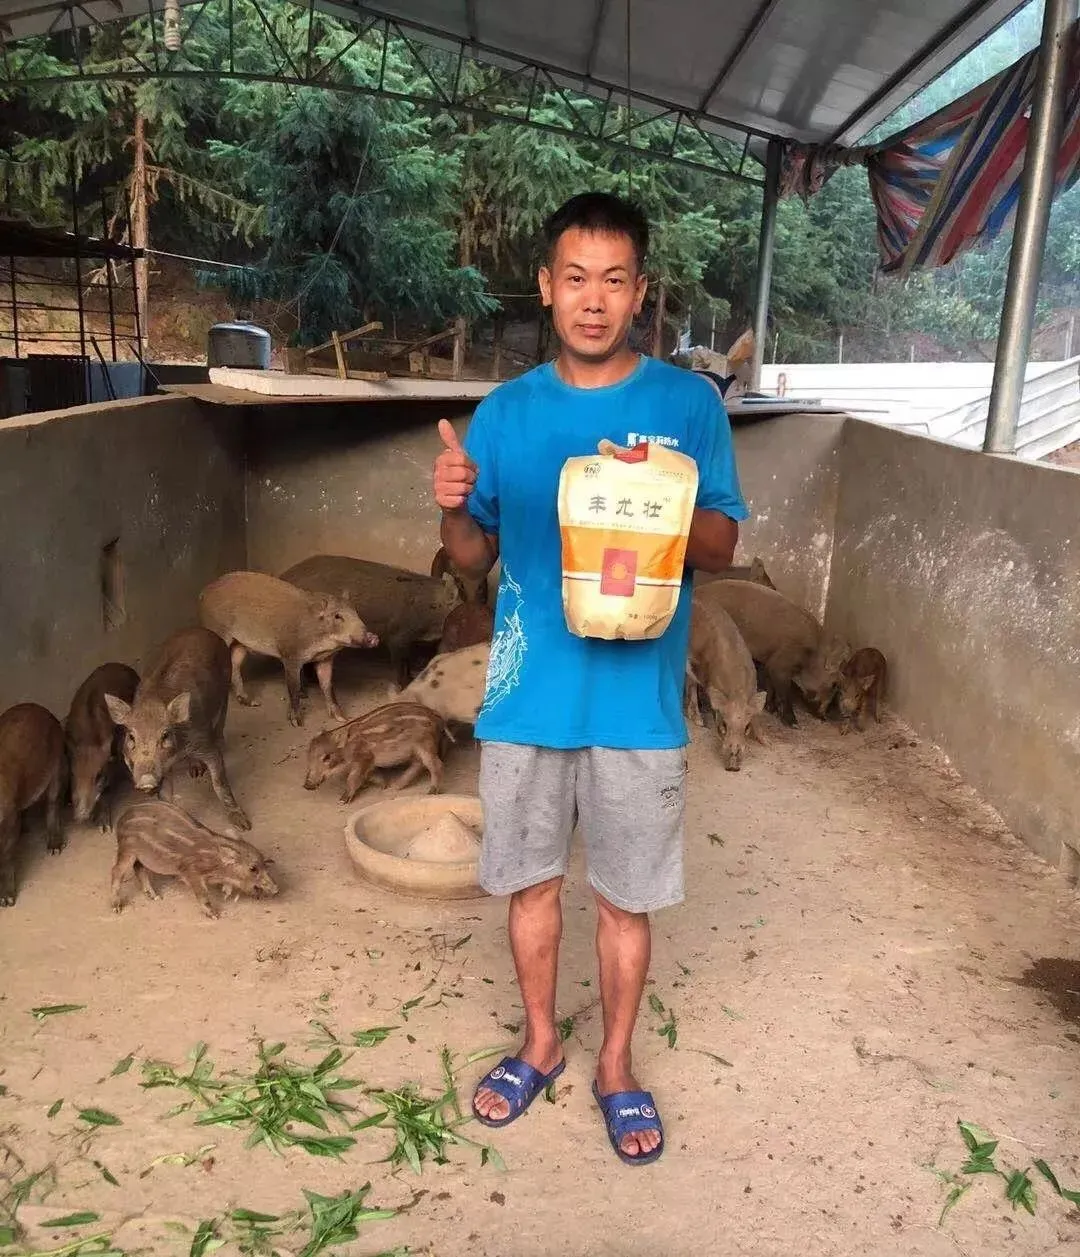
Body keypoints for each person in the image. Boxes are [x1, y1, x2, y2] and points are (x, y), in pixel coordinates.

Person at [431, 191, 748, 1166]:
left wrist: (663, 485)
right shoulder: (506, 412)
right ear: (546, 286)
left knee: (623, 900)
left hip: (636, 703)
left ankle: (615, 1064)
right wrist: (450, 504)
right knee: (530, 888)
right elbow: (472, 559)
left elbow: (722, 547)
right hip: (527, 695)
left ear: (641, 292)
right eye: (576, 278)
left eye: (614, 280)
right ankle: (539, 1044)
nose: (594, 299)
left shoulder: (688, 407)